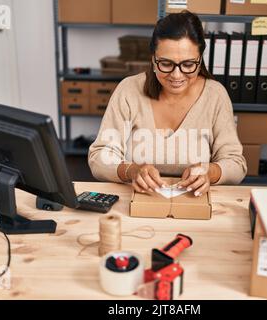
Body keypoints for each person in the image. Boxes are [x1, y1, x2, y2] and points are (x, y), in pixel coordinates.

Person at [88, 11, 247, 196]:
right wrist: (131, 171)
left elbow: (236, 164)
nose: (176, 75)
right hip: (137, 201)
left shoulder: (215, 95)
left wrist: (209, 172)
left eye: (188, 64)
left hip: (195, 203)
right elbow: (99, 157)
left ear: (200, 59)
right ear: (153, 59)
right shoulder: (128, 90)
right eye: (165, 63)